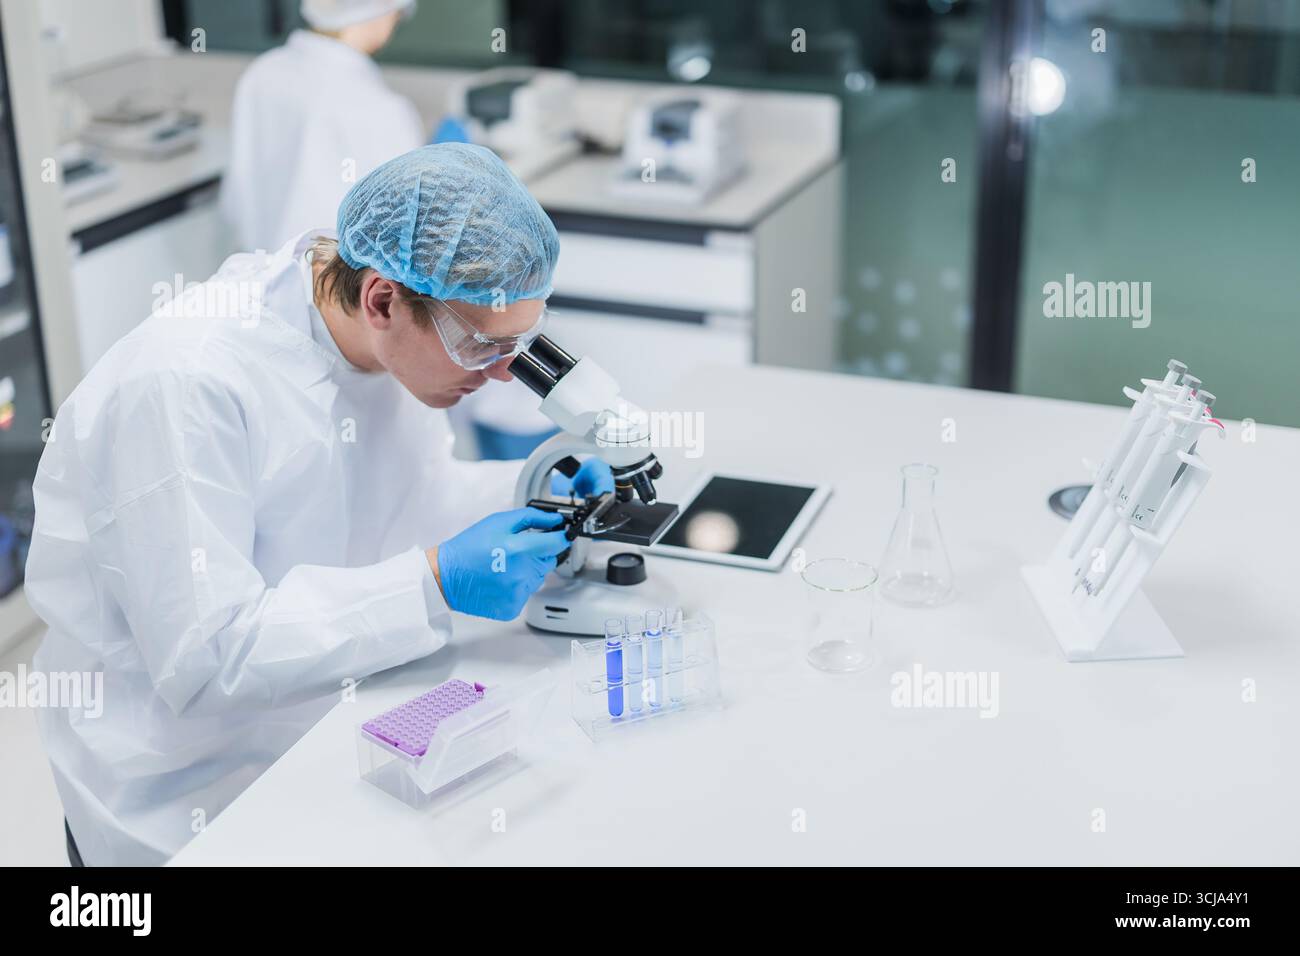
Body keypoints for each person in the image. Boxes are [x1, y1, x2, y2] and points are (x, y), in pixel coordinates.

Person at [25, 143, 612, 866]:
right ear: (383, 299)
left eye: (515, 347)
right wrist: (436, 582)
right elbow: (210, 656)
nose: (497, 376)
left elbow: (411, 495)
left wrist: (534, 491)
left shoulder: (383, 341)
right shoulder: (185, 385)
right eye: (480, 347)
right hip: (182, 795)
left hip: (331, 729)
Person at [220, 0, 425, 252]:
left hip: (262, 273)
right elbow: (407, 229)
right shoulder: (379, 106)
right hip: (332, 285)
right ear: (379, 12)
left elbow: (237, 200)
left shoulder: (262, 73)